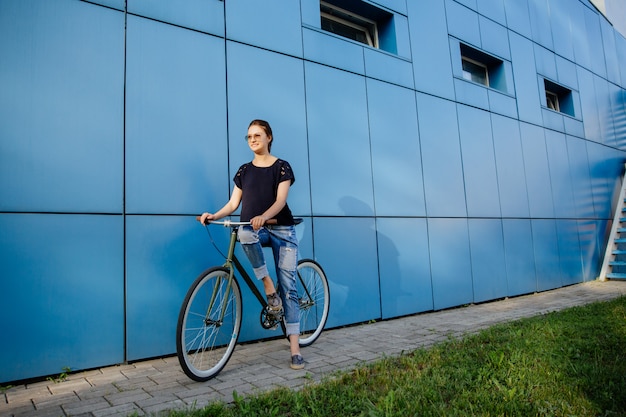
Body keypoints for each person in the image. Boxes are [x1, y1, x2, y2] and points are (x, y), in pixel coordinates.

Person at [199, 119, 304, 370]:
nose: (253, 139)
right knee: (245, 234)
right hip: (256, 229)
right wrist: (214, 215)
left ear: (269, 137)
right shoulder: (244, 171)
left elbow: (280, 201)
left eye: (258, 135)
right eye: (249, 136)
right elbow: (233, 204)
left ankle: (295, 348)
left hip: (282, 231)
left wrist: (264, 216)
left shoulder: (281, 167)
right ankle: (269, 287)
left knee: (289, 287)